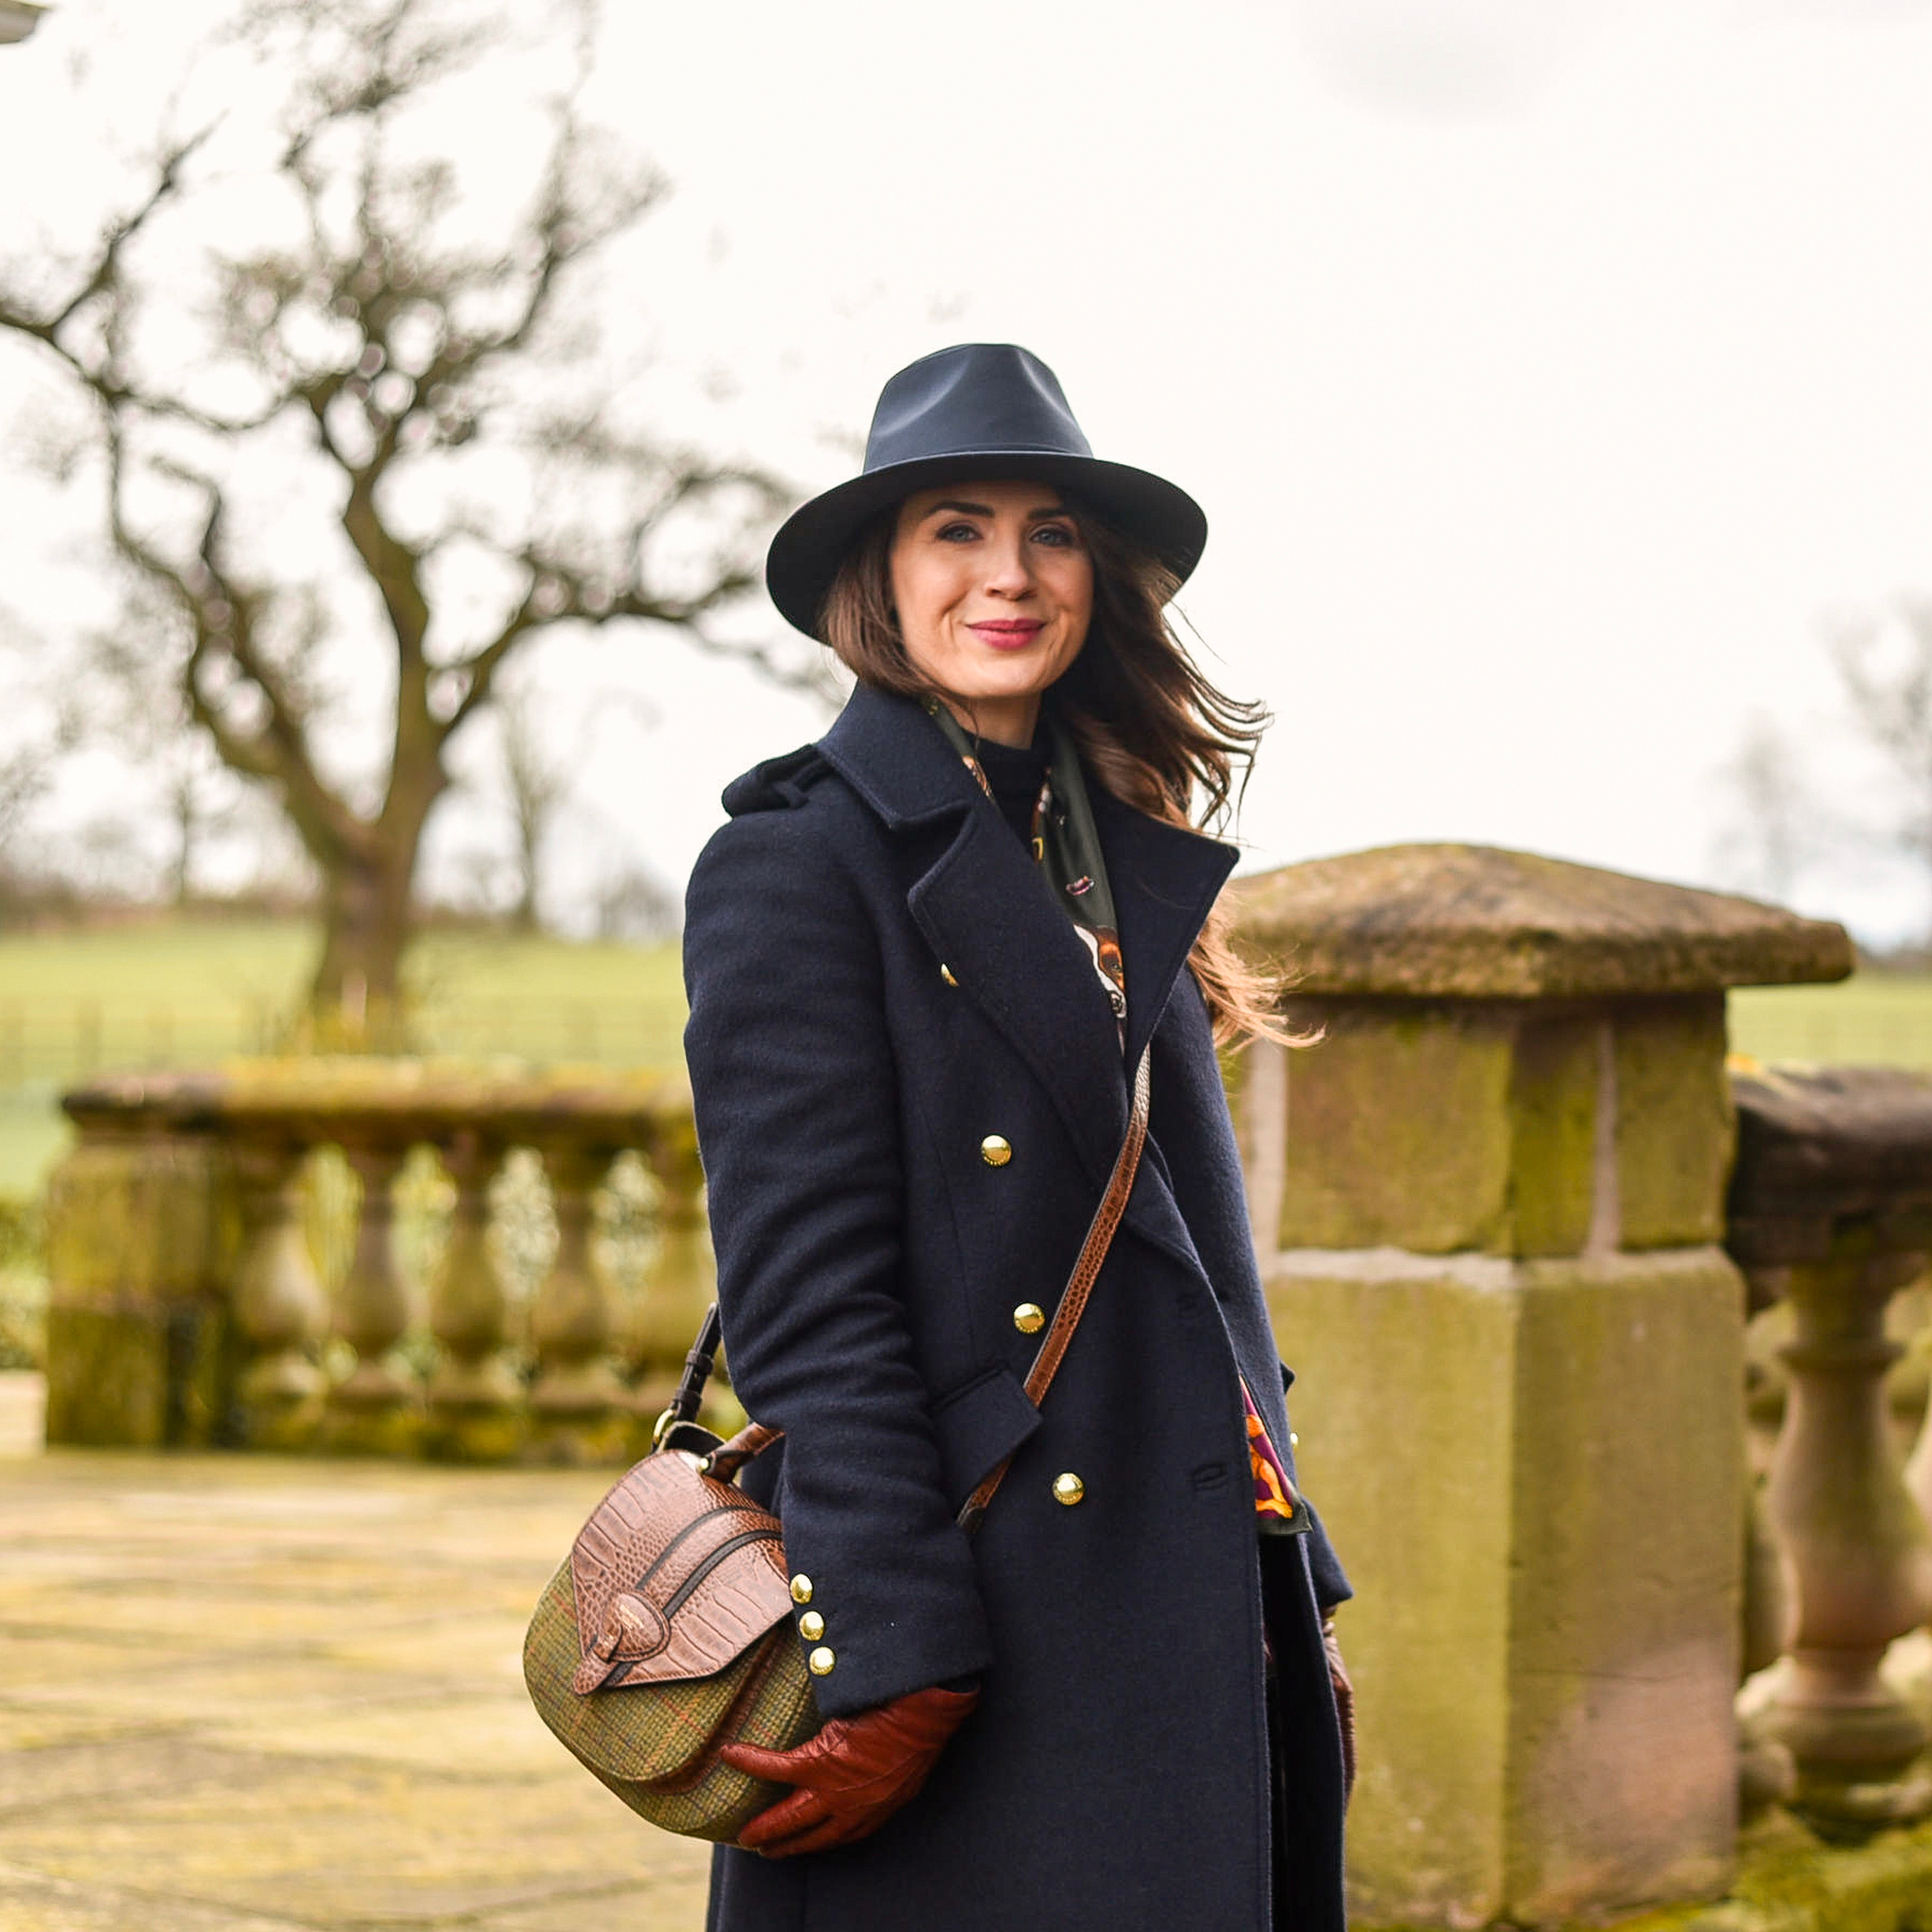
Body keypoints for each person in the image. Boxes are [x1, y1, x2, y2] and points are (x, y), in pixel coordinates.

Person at [682, 343, 1354, 1932]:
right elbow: (809, 1314)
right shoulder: (794, 863)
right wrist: (900, 1663)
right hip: (972, 1618)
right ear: (880, 578)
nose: (1010, 574)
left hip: (1184, 1581)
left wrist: (1293, 1574)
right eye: (957, 531)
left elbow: (1202, 1268)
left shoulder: (1113, 848)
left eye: (1050, 532)